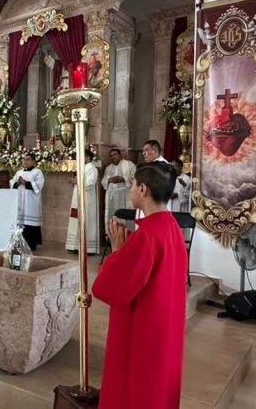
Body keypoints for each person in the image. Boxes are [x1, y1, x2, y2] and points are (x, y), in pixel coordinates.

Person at [92, 161, 187, 408]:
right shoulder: (171, 227)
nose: (131, 189)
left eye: (132, 184)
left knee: (136, 392)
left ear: (143, 189)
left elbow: (112, 288)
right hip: (164, 329)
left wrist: (116, 251)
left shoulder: (147, 235)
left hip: (143, 331)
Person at [66, 149, 99, 254]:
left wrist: (77, 181)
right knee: (76, 219)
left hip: (87, 198)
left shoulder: (92, 168)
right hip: (77, 197)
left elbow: (90, 183)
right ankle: (76, 246)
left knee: (86, 220)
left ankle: (88, 248)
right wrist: (75, 181)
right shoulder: (82, 168)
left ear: (88, 158)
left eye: (82, 156)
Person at [9, 153, 45, 250]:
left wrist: (26, 183)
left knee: (30, 223)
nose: (25, 161)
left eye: (28, 159)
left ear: (33, 161)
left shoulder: (38, 172)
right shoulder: (19, 172)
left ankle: (31, 244)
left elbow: (39, 185)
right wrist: (18, 182)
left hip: (31, 202)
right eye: (24, 159)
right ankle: (19, 243)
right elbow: (12, 182)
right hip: (20, 200)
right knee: (20, 222)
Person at [101, 149, 135, 222]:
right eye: (111, 156)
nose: (113, 157)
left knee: (123, 216)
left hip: (124, 195)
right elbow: (103, 181)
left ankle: (125, 232)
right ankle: (112, 232)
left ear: (120, 155)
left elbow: (135, 178)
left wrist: (123, 179)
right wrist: (109, 180)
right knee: (112, 215)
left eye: (115, 154)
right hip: (111, 197)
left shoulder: (129, 164)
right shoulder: (108, 168)